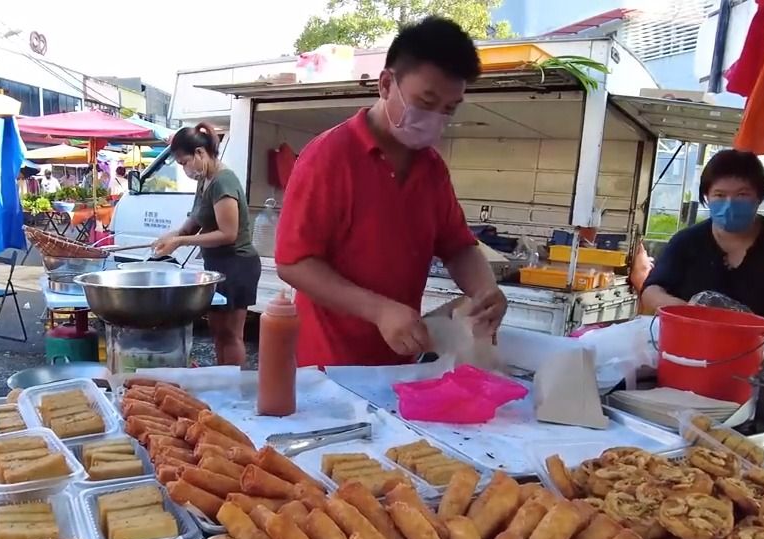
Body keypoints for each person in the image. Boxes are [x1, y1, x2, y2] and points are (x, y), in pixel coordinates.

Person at [274, 17, 507, 367]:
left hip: (398, 366)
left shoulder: (431, 169)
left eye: (448, 109)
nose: (435, 118)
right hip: (327, 368)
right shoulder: (328, 157)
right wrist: (379, 310)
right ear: (386, 84)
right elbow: (293, 263)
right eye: (425, 101)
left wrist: (485, 291)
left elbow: (458, 246)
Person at [642, 149, 764, 319]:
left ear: (760, 196)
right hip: (696, 338)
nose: (730, 204)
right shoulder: (686, 241)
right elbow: (651, 291)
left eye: (742, 194)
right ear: (707, 197)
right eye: (720, 195)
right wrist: (690, 312)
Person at [152, 123, 261, 367]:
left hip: (237, 264)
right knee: (218, 333)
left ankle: (232, 388)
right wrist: (171, 236)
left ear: (200, 153)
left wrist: (181, 240)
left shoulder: (224, 181)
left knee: (231, 335)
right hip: (216, 266)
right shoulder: (205, 181)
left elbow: (228, 233)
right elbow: (194, 221)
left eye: (184, 163)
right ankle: (222, 380)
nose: (185, 170)